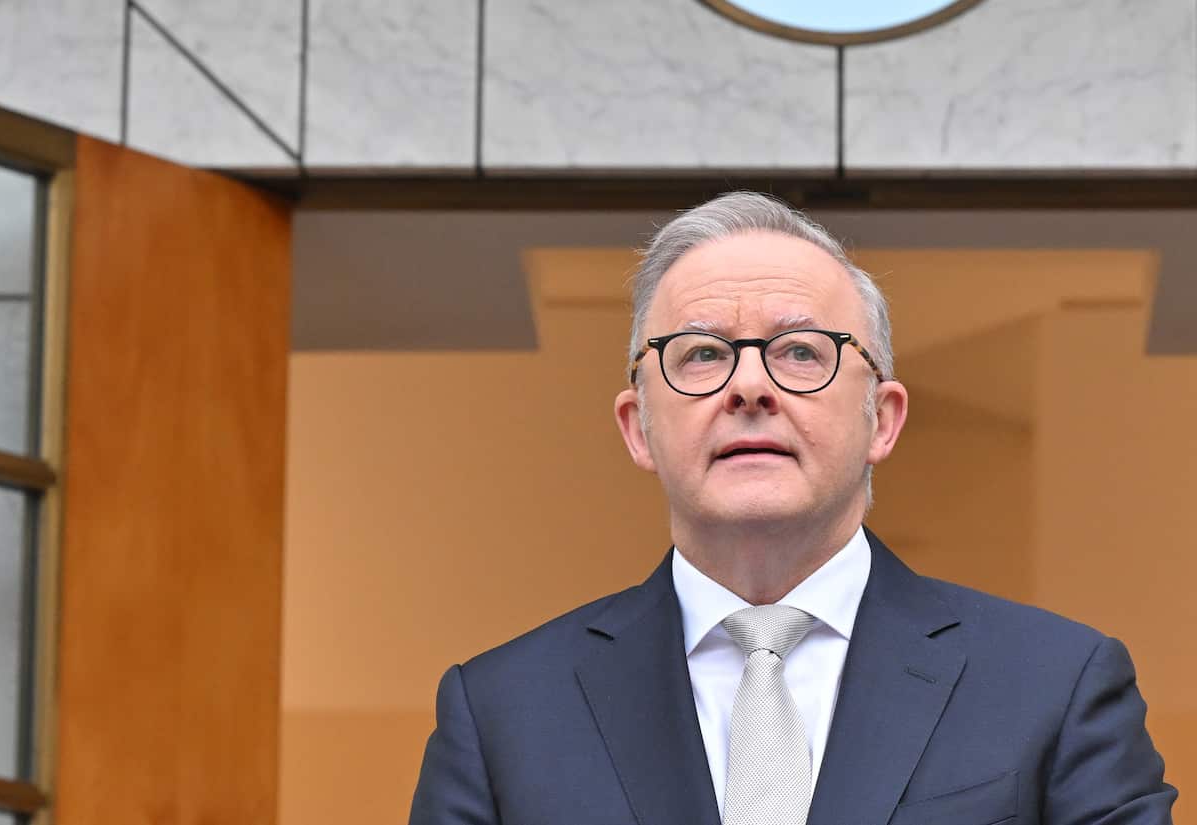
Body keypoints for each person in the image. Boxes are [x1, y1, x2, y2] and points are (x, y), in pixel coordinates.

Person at [408, 192, 1176, 825]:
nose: (750, 386)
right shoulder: (503, 713)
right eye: (702, 353)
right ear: (639, 428)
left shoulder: (1056, 684)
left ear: (883, 420)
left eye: (802, 350)